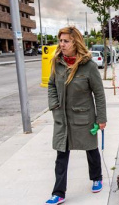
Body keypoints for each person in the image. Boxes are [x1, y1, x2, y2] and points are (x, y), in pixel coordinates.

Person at [45, 26, 107, 205]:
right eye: (60, 41)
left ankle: (97, 177)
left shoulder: (89, 66)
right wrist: (54, 105)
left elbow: (99, 93)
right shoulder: (57, 62)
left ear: (75, 42)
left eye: (66, 41)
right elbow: (51, 85)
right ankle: (58, 193)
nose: (61, 44)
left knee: (91, 148)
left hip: (84, 117)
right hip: (62, 118)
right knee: (61, 156)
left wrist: (101, 118)